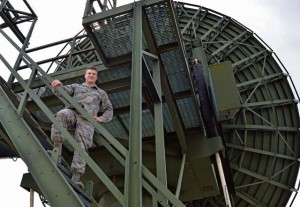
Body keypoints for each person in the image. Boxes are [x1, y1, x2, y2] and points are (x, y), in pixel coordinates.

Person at [50, 66, 113, 188]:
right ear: (85, 75)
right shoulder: (76, 87)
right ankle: (56, 152)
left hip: (87, 120)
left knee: (82, 145)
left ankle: (76, 177)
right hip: (73, 112)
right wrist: (57, 85)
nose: (91, 75)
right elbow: (61, 92)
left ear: (96, 77)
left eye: (93, 74)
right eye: (89, 73)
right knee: (61, 115)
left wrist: (101, 118)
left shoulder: (101, 93)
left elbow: (109, 109)